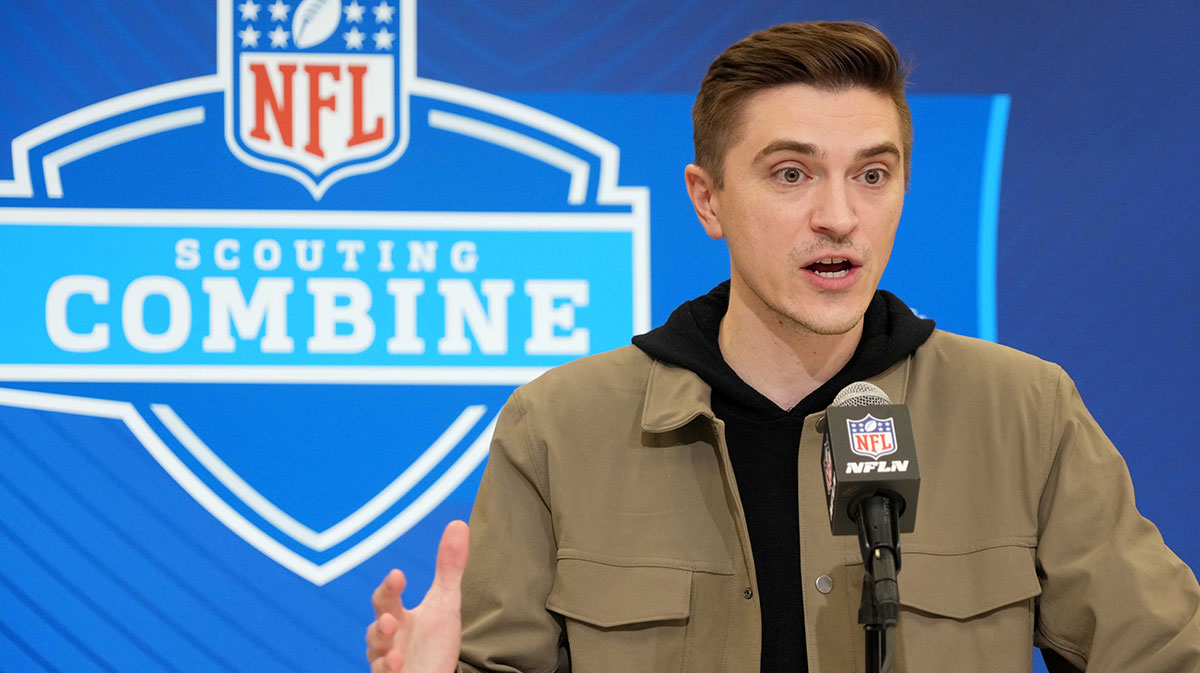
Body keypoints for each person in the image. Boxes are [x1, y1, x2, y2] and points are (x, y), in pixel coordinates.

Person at [366, 21, 1200, 673]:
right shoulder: (561, 426)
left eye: (872, 175)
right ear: (709, 198)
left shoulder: (1024, 413)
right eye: (792, 173)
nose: (839, 215)